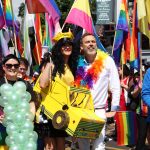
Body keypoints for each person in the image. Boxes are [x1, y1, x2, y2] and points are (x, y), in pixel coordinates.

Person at [75, 33, 120, 150]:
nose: (91, 44)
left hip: (99, 111)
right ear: (81, 47)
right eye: (87, 42)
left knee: (99, 146)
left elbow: (115, 87)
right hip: (81, 111)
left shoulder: (107, 61)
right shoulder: (77, 63)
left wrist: (113, 109)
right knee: (83, 146)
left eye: (93, 42)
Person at [39, 31, 78, 150]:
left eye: (70, 44)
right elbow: (42, 84)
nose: (67, 47)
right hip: (49, 111)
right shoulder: (52, 64)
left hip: (63, 112)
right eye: (63, 45)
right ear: (58, 48)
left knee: (61, 146)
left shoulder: (72, 66)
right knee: (50, 147)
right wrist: (49, 64)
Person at [0, 54, 36, 148]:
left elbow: (31, 104)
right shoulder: (0, 83)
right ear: (4, 67)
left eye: (16, 65)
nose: (13, 68)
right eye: (9, 65)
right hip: (4, 126)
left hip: (23, 126)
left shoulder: (25, 84)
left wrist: (30, 120)